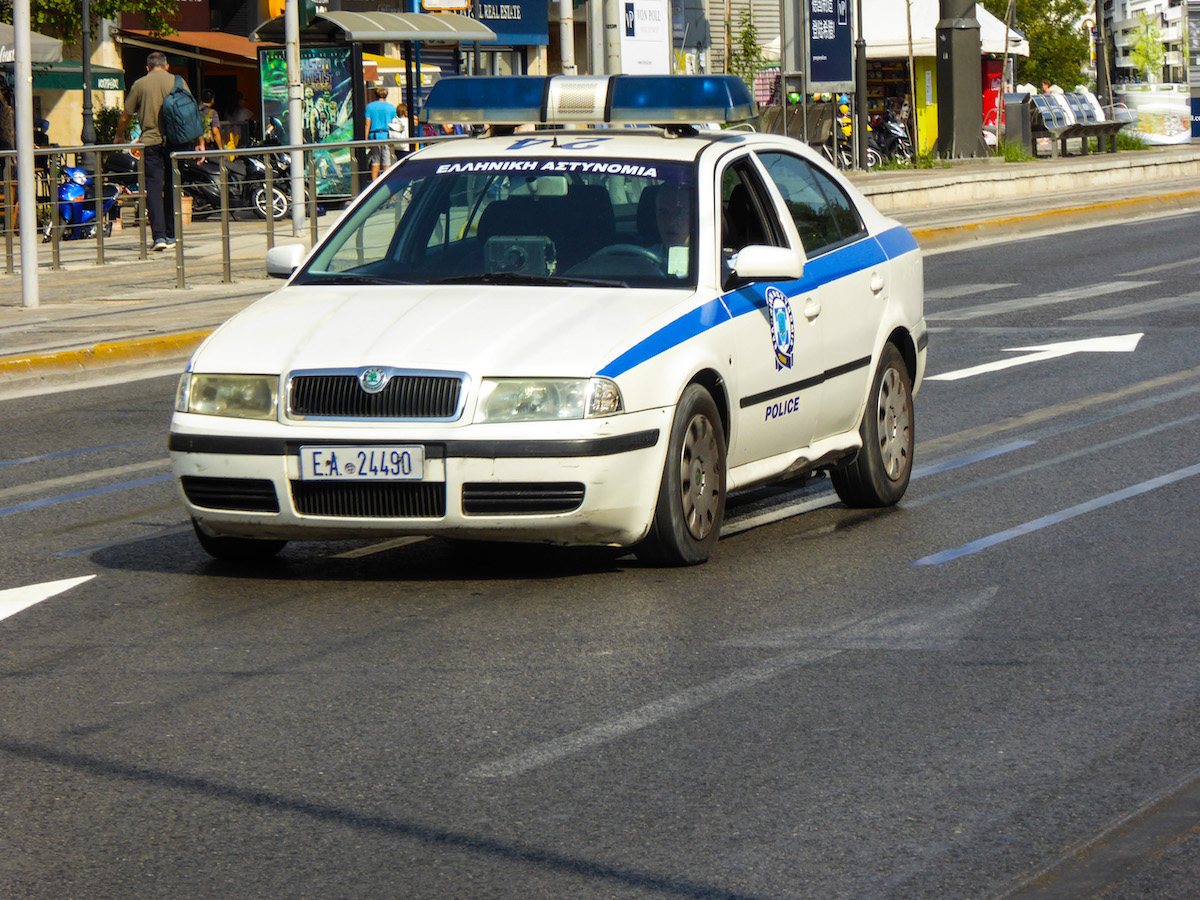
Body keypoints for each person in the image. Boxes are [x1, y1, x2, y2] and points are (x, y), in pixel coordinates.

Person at [114, 51, 197, 252]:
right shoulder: (178, 82)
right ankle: (172, 235)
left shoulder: (140, 84)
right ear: (167, 66)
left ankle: (158, 236)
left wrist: (119, 135)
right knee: (171, 186)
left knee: (153, 188)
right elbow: (191, 113)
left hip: (151, 142)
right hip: (176, 142)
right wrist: (199, 141)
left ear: (147, 68)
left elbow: (126, 114)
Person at [364, 86, 396, 180]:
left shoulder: (370, 107)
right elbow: (394, 123)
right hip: (386, 135)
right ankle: (386, 183)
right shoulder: (391, 107)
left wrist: (365, 139)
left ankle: (374, 183)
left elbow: (367, 124)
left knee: (375, 161)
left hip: (374, 136)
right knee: (386, 162)